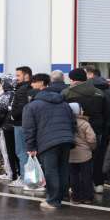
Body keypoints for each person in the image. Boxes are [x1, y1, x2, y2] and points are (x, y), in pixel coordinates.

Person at [23, 73, 76, 209]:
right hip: (66, 140)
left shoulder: (32, 106)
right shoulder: (63, 103)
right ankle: (61, 196)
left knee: (51, 170)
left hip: (48, 142)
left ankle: (53, 200)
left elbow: (29, 129)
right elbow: (73, 122)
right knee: (63, 169)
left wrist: (31, 146)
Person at [62, 68, 108, 193]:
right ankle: (98, 184)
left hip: (75, 129)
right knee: (96, 156)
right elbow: (107, 112)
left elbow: (63, 113)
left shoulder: (67, 93)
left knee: (76, 158)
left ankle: (76, 186)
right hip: (96, 128)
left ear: (72, 80)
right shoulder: (99, 92)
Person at [9, 66, 35, 188]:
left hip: (20, 125)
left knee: (21, 152)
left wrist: (13, 115)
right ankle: (31, 178)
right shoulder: (32, 89)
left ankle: (25, 179)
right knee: (29, 152)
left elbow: (21, 109)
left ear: (26, 76)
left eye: (18, 75)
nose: (16, 78)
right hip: (30, 125)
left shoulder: (22, 90)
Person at [89, 74, 110, 191]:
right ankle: (99, 183)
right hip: (104, 128)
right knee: (101, 155)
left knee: (87, 155)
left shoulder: (90, 91)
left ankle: (88, 182)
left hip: (90, 127)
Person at [69, 103, 97, 204]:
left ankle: (76, 197)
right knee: (86, 176)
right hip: (85, 155)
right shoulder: (84, 123)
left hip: (71, 154)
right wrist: (92, 148)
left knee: (74, 176)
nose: (83, 111)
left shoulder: (66, 122)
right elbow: (92, 138)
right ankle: (87, 197)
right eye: (81, 109)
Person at [0, 74, 19, 183]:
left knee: (6, 152)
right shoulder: (18, 94)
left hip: (5, 127)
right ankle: (18, 172)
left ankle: (10, 173)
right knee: (17, 151)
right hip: (17, 127)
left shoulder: (4, 96)